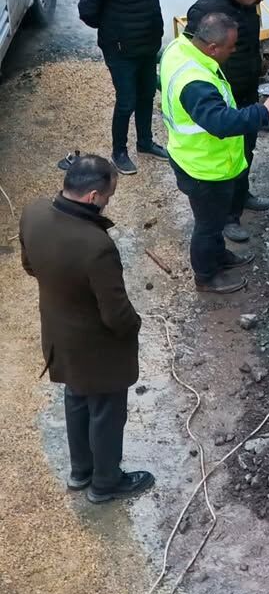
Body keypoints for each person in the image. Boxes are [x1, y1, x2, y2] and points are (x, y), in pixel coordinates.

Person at [19, 155, 154, 503]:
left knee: (76, 397)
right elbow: (115, 315)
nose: (109, 201)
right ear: (93, 196)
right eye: (108, 195)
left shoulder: (33, 212)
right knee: (107, 412)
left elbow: (30, 265)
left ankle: (81, 471)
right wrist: (135, 326)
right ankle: (106, 482)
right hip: (98, 348)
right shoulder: (96, 247)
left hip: (59, 335)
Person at [159, 12, 269, 294]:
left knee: (213, 222)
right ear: (213, 47)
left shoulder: (179, 48)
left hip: (195, 158)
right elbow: (221, 123)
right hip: (205, 166)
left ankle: (218, 258)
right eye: (230, 47)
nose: (233, 52)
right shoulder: (196, 84)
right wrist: (265, 112)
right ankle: (206, 277)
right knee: (207, 225)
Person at [186, 0, 269, 243]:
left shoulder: (247, 5)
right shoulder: (206, 11)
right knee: (227, 159)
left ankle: (242, 194)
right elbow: (194, 59)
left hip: (247, 87)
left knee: (245, 151)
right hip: (223, 96)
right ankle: (228, 217)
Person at [78, 0, 168, 175]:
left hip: (148, 44)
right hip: (120, 50)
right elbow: (87, 12)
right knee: (126, 101)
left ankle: (145, 142)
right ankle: (119, 151)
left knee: (147, 94)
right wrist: (115, 31)